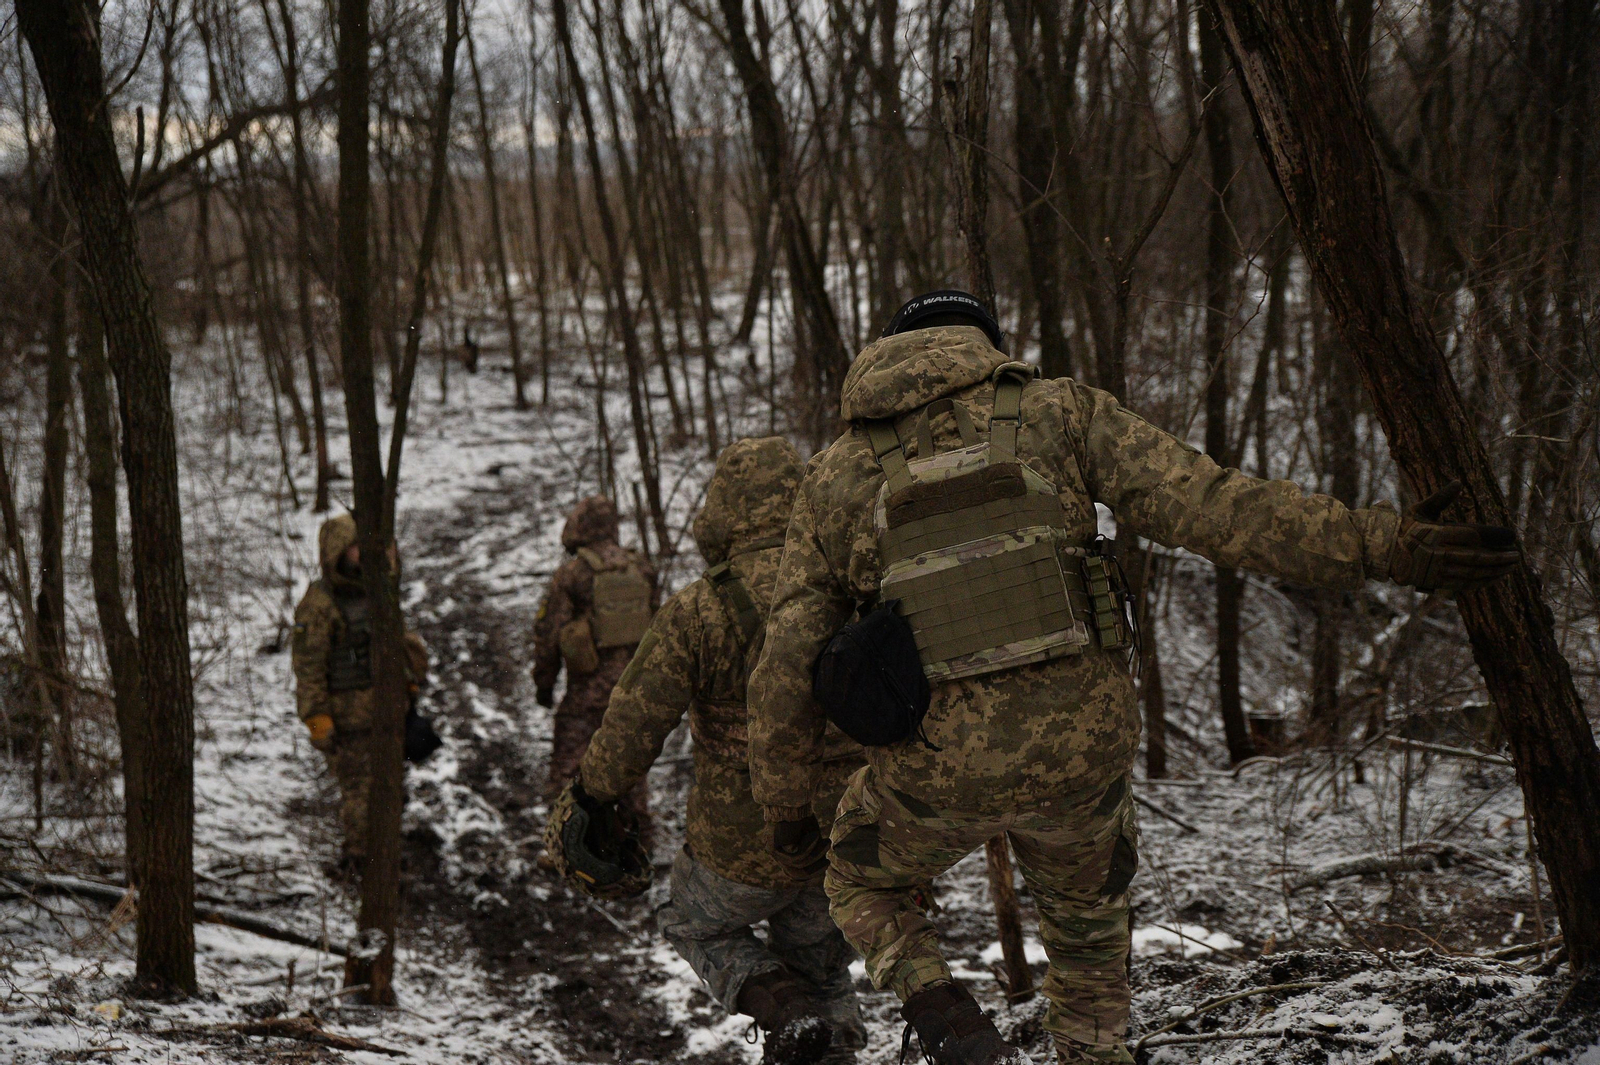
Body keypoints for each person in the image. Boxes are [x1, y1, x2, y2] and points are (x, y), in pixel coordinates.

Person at [746, 290, 1520, 1065]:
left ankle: (946, 1012)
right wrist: (1387, 545)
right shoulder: (1059, 412)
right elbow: (1219, 509)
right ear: (981, 345)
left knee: (853, 875)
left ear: (889, 355)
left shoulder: (836, 476)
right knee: (1087, 956)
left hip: (936, 772)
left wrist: (784, 807)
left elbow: (784, 665)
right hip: (1083, 761)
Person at [547, 438, 868, 1065]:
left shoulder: (701, 607)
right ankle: (823, 1039)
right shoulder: (852, 588)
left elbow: (636, 720)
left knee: (690, 920)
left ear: (722, 513)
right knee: (824, 967)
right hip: (845, 834)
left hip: (739, 849)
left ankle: (780, 1005)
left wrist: (589, 794)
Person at [292, 513, 428, 877]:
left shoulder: (378, 592)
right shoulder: (320, 604)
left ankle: (385, 853)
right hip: (348, 719)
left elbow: (394, 644)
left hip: (387, 711)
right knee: (359, 795)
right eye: (355, 547)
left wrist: (408, 684)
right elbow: (308, 668)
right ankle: (362, 862)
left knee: (390, 788)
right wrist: (317, 718)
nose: (362, 555)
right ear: (337, 551)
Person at [533, 495, 658, 833]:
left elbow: (549, 636)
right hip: (634, 692)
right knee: (630, 764)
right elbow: (661, 627)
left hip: (587, 695)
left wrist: (544, 685)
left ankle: (562, 841)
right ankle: (638, 838)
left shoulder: (573, 574)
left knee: (568, 765)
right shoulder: (641, 566)